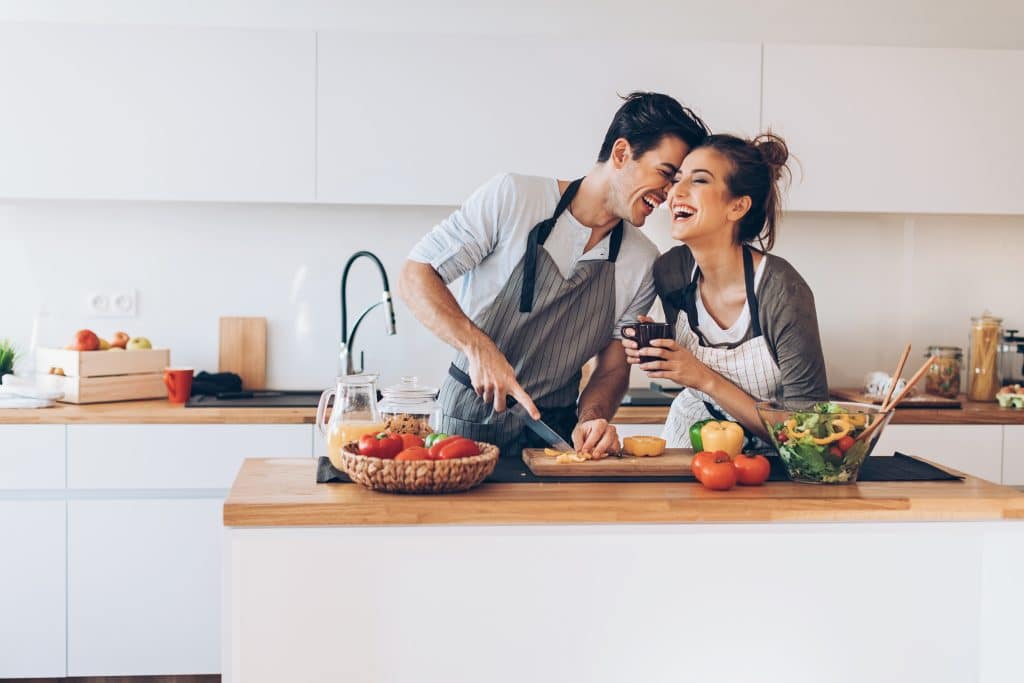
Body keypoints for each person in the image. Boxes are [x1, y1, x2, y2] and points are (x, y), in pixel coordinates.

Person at [400, 92, 710, 458]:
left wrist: (592, 419)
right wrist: (477, 346)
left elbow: (611, 369)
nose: (671, 193)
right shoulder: (514, 198)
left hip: (554, 436)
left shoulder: (642, 260)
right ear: (622, 153)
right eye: (666, 174)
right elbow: (416, 274)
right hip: (466, 426)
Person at [622, 133, 828, 447]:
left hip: (771, 458)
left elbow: (808, 432)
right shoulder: (671, 271)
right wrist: (659, 348)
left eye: (699, 181)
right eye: (677, 179)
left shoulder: (782, 290)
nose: (676, 191)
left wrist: (701, 376)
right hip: (689, 438)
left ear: (738, 207)